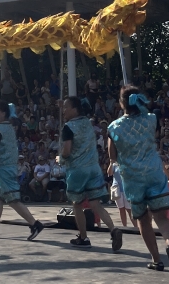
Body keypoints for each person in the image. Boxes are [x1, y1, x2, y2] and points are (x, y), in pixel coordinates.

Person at [107, 86, 169, 275]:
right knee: (161, 218)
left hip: (133, 178)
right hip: (154, 173)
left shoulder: (114, 127)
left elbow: (112, 155)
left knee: (143, 220)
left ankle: (156, 259)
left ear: (121, 103)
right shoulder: (150, 119)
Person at [59, 96, 122, 248]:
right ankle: (113, 229)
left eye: (66, 107)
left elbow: (67, 150)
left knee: (77, 204)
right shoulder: (88, 124)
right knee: (96, 204)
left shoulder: (68, 127)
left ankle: (83, 237)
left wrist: (60, 158)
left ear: (75, 109)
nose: (63, 110)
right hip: (94, 169)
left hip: (78, 170)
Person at [0, 101, 44, 240]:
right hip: (8, 167)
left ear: (3, 113)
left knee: (13, 200)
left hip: (4, 169)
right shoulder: (7, 128)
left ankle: (35, 224)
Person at [109, 161, 133, 226]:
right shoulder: (114, 164)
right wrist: (111, 163)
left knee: (129, 209)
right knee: (121, 209)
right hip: (117, 189)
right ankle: (124, 226)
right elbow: (109, 173)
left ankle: (136, 227)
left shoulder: (128, 162)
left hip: (127, 188)